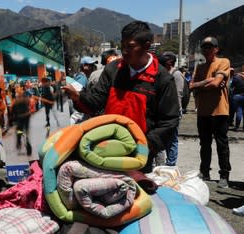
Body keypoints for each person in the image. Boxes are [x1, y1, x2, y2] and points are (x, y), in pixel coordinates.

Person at [63, 20, 180, 173]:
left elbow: (169, 121)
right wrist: (77, 97)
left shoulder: (162, 78)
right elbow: (96, 100)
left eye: (130, 46)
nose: (124, 51)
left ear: (146, 46)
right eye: (122, 46)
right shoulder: (113, 69)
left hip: (140, 154)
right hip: (108, 146)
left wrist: (146, 144)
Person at [190, 36, 231, 189]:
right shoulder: (199, 67)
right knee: (204, 144)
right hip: (203, 112)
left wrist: (201, 84)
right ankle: (204, 172)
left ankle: (224, 175)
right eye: (204, 46)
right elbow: (191, 86)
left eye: (210, 46)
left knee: (222, 144)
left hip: (220, 111)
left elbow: (215, 84)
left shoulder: (223, 61)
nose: (206, 49)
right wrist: (206, 82)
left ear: (216, 49)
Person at [157, 51, 185, 166]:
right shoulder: (161, 73)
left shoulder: (176, 74)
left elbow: (179, 93)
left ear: (170, 62)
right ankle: (160, 164)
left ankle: (171, 164)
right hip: (162, 110)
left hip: (173, 110)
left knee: (172, 139)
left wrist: (177, 110)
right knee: (161, 137)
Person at [230, 65, 244, 131]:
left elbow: (232, 86)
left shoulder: (237, 76)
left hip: (237, 96)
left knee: (239, 111)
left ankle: (237, 127)